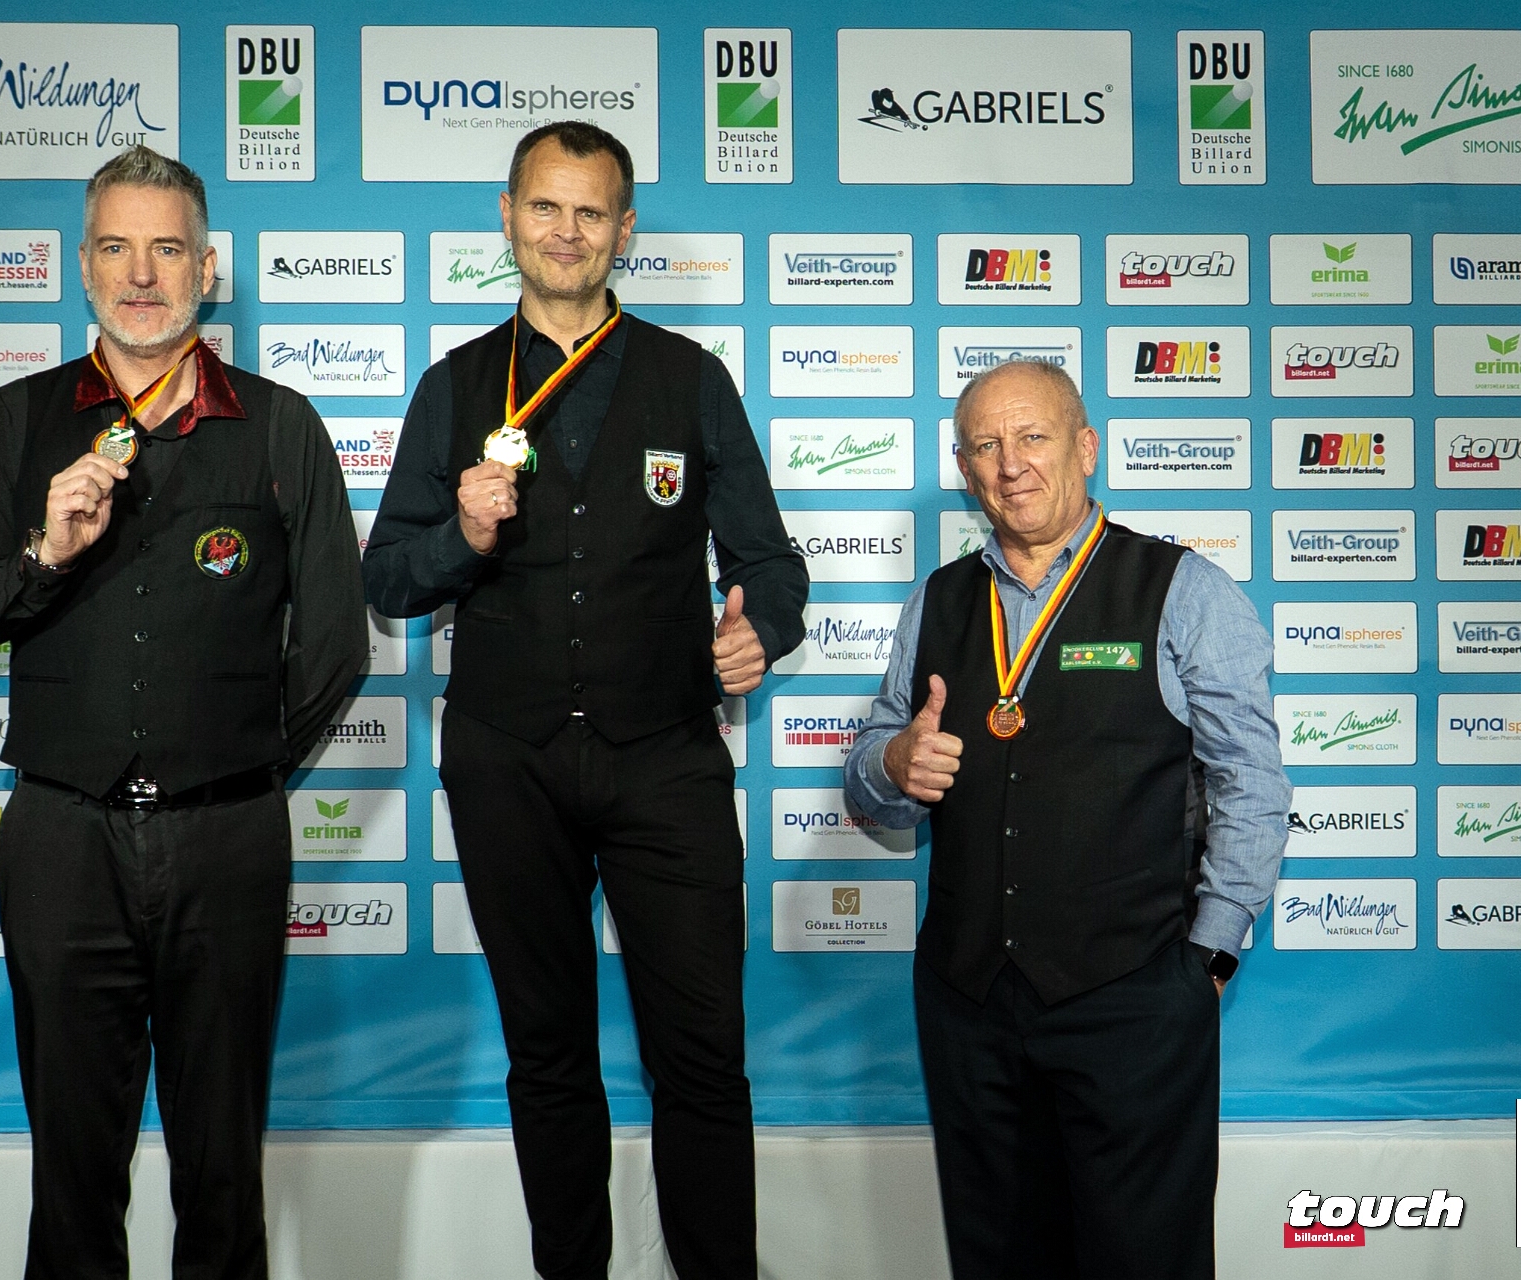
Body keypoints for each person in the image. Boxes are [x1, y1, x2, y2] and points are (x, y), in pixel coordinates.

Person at [364, 121, 806, 1280]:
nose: (567, 231)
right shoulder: (454, 384)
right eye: (546, 207)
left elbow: (770, 562)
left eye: (592, 211)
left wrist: (760, 626)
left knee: (702, 1055)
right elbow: (389, 580)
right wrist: (461, 536)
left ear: (626, 229)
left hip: (665, 757)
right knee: (547, 1054)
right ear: (508, 217)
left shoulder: (690, 379)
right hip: (504, 762)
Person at [0, 146, 366, 1280]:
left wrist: (239, 768)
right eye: (116, 247)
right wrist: (44, 554)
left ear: (207, 270)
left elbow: (335, 648)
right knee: (73, 1178)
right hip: (61, 841)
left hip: (228, 839)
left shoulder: (280, 425)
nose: (141, 273)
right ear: (82, 265)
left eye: (168, 248)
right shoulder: (17, 420)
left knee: (223, 1176)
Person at [843, 360, 1288, 1278]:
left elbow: (1251, 782)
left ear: (1086, 448)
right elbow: (871, 773)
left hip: (1133, 1000)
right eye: (985, 445)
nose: (1011, 464)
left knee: (1144, 1261)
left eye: (1033, 437)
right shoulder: (938, 601)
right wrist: (892, 763)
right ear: (965, 470)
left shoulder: (1183, 589)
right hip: (969, 1006)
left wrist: (1209, 956)